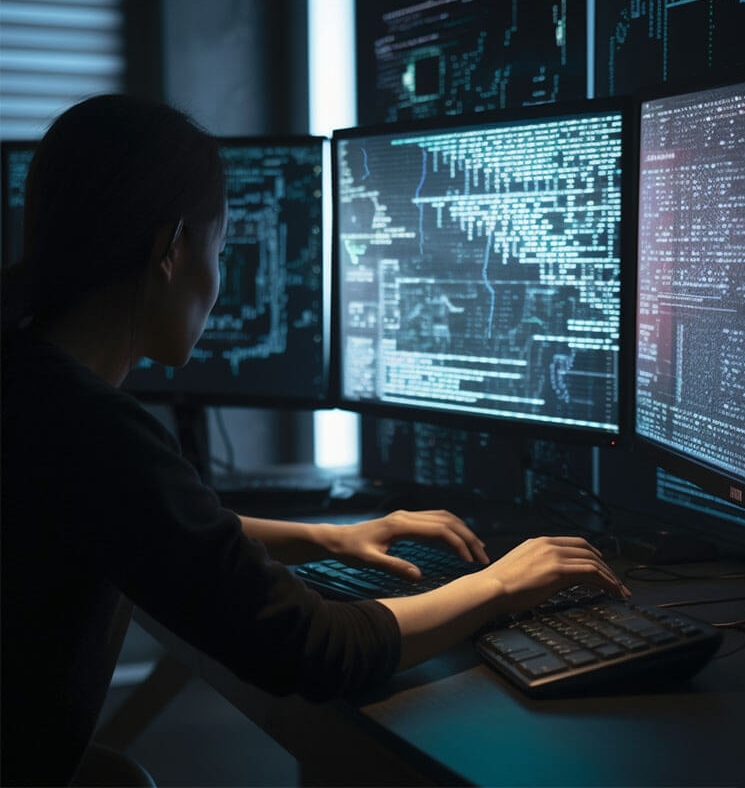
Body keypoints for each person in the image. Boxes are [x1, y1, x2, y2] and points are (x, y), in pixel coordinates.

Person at [0, 95, 629, 786]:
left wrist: (331, 537)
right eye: (220, 250)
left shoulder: (30, 382)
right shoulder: (92, 429)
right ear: (171, 250)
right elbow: (309, 647)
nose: (217, 279)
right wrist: (502, 584)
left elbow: (149, 521)